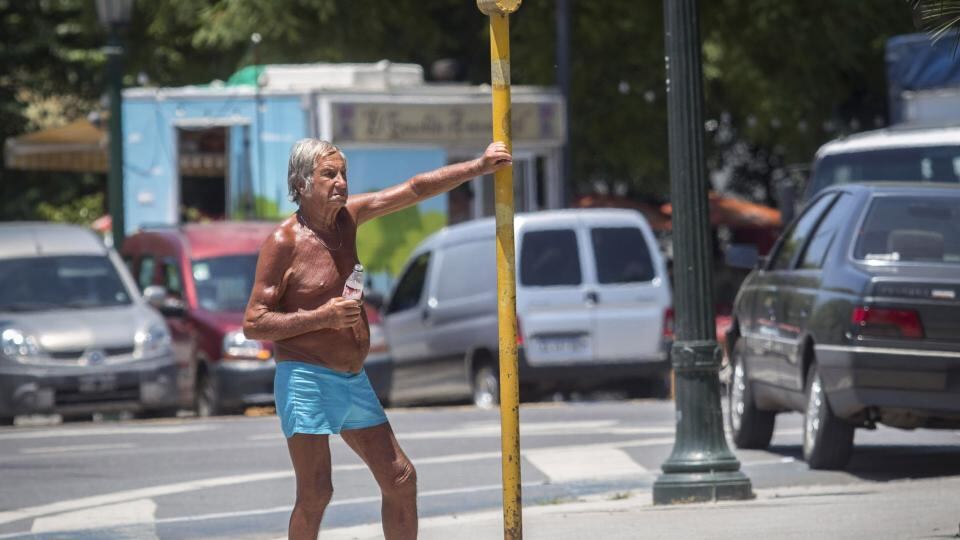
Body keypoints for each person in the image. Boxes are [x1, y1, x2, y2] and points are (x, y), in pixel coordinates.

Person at [243, 139, 512, 540]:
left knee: (400, 478)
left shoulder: (348, 219)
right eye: (328, 174)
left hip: (352, 379)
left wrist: (478, 166)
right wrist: (323, 317)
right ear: (301, 184)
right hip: (305, 378)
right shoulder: (284, 243)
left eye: (343, 174)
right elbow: (254, 322)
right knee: (316, 493)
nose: (340, 183)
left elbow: (414, 189)